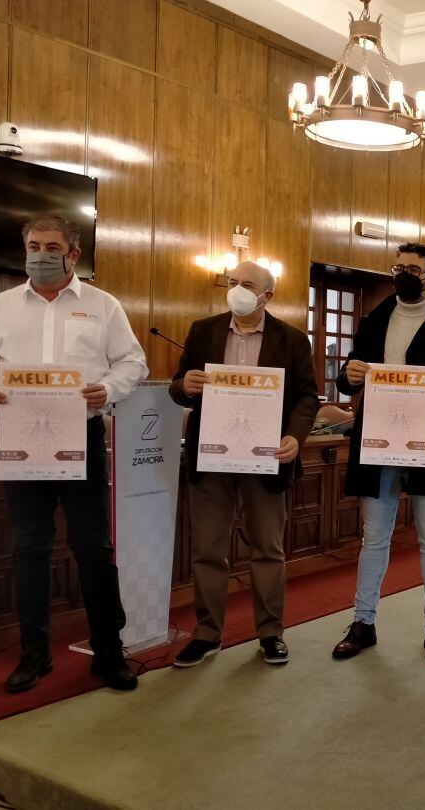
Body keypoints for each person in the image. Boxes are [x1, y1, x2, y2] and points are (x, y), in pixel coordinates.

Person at [0, 215, 148, 692]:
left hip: (83, 440)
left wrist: (109, 390)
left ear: (73, 254)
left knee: (94, 549)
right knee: (29, 551)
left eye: (51, 246)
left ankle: (108, 652)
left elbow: (133, 361)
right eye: (33, 245)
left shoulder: (103, 305)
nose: (40, 253)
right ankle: (34, 655)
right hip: (20, 443)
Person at [331, 243, 425, 665]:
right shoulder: (372, 320)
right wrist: (349, 373)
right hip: (377, 442)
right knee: (374, 537)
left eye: (414, 269)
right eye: (399, 267)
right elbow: (346, 379)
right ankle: (363, 621)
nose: (404, 274)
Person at [169, 261, 318, 668]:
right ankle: (206, 633)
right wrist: (185, 386)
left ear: (267, 295)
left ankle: (270, 632)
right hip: (212, 457)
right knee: (207, 550)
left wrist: (295, 435)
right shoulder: (204, 330)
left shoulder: (291, 339)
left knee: (267, 548)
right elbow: (178, 386)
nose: (236, 289)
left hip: (266, 456)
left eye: (247, 284)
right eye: (232, 282)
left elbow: (308, 396)